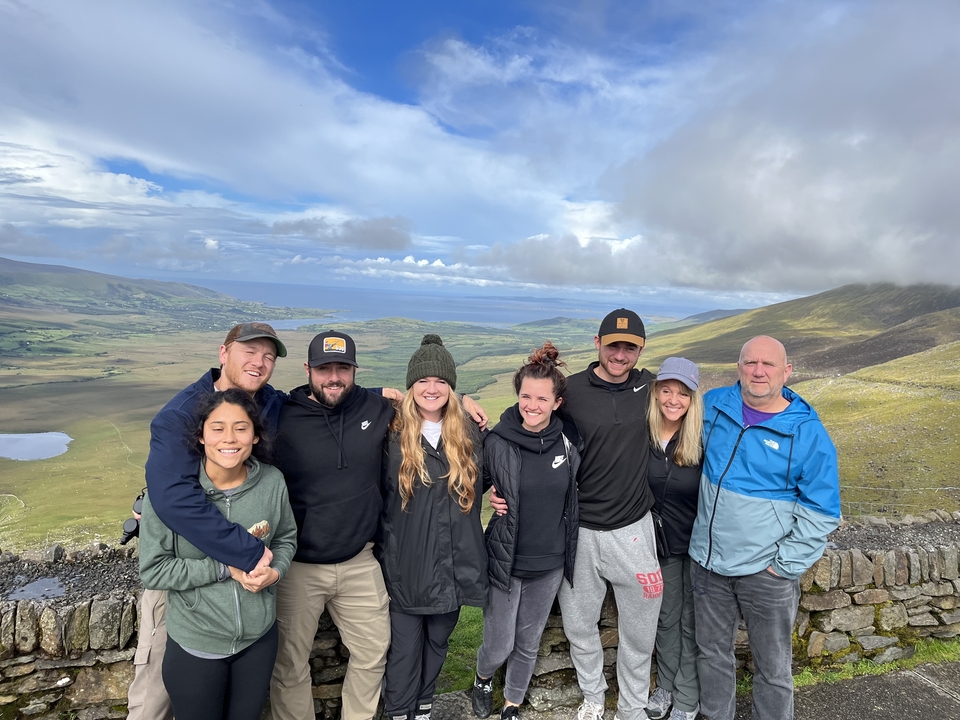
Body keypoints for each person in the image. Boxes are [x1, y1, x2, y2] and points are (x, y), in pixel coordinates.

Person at [491, 309, 661, 720]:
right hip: (577, 531)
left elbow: (689, 411)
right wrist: (500, 482)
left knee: (640, 632)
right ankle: (593, 696)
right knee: (579, 627)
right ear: (597, 344)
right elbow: (524, 421)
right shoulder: (574, 390)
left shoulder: (653, 387)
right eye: (613, 345)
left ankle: (634, 706)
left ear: (640, 350)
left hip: (634, 530)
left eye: (630, 347)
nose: (621, 354)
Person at [128, 322, 288, 720]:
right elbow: (174, 500)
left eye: (268, 356)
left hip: (247, 612)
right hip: (188, 583)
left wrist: (391, 395)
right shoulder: (179, 416)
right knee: (154, 699)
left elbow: (320, 400)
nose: (259, 362)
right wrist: (249, 555)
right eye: (249, 351)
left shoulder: (266, 401)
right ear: (223, 353)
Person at [688, 336, 840, 720]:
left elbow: (821, 511)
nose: (758, 371)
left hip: (765, 573)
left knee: (772, 667)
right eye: (750, 363)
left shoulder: (808, 433)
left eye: (768, 364)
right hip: (707, 564)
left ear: (786, 372)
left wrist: (783, 567)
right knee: (711, 654)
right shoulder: (713, 405)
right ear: (738, 368)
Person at [268, 330, 398, 720]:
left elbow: (429, 401)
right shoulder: (281, 417)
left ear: (355, 371)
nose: (334, 377)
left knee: (374, 652)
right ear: (308, 369)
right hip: (298, 567)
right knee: (289, 664)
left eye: (343, 368)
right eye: (325, 368)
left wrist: (464, 401)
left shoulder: (375, 406)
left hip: (360, 561)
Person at [378, 334, 487, 720]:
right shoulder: (389, 433)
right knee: (404, 650)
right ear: (411, 386)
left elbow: (498, 474)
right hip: (406, 566)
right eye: (423, 380)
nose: (432, 388)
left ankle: (422, 707)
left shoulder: (471, 435)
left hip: (455, 568)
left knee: (438, 643)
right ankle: (398, 711)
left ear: (451, 388)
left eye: (441, 381)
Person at [472, 342, 581, 720]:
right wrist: (492, 501)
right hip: (506, 559)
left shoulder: (569, 443)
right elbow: (470, 490)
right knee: (499, 642)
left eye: (541, 398)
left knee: (528, 641)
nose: (532, 405)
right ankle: (483, 676)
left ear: (557, 403)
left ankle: (512, 702)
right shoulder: (497, 442)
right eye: (525, 396)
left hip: (549, 562)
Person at [643, 358, 704, 720]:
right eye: (666, 390)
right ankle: (664, 686)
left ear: (693, 399)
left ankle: (686, 698)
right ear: (656, 392)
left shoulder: (703, 438)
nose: (673, 399)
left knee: (691, 623)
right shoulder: (644, 434)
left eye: (683, 393)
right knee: (666, 619)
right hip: (657, 548)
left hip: (696, 549)